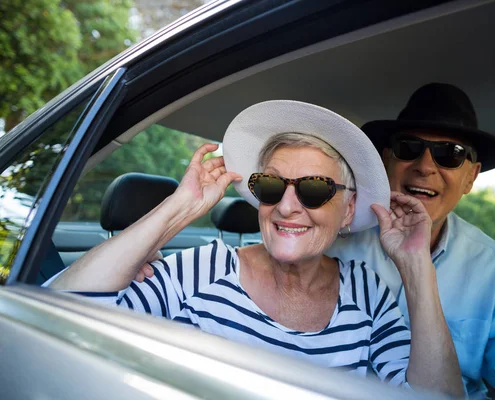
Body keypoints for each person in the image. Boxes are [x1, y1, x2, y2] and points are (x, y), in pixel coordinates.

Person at [46, 100, 464, 397]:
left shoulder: (367, 291)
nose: (285, 206)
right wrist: (180, 207)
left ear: (349, 207)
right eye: (270, 185)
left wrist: (415, 266)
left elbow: (436, 397)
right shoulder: (203, 269)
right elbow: (56, 319)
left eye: (315, 190)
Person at [326, 83, 495, 398]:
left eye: (450, 154)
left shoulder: (488, 262)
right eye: (409, 148)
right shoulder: (335, 240)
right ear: (387, 160)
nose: (425, 166)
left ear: (470, 178)